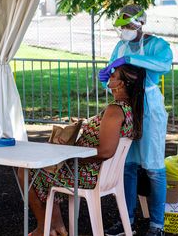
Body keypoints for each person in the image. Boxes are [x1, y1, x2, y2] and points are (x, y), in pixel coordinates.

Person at [18, 64, 146, 236]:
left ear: (121, 84)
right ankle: (56, 226)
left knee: (26, 172)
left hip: (88, 174)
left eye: (113, 75)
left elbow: (106, 151)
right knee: (43, 167)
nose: (109, 76)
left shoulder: (115, 110)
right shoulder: (127, 108)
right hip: (96, 171)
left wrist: (69, 157)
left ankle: (45, 227)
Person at [99, 4, 173, 236]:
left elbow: (164, 66)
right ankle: (126, 219)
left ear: (141, 23)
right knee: (127, 165)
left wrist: (131, 59)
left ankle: (157, 225)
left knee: (153, 167)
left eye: (129, 26)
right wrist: (104, 78)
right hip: (126, 109)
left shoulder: (158, 45)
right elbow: (112, 77)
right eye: (122, 27)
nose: (125, 31)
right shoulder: (119, 46)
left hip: (150, 109)